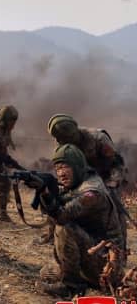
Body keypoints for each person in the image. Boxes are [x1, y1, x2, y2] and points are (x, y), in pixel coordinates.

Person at [38, 144, 125, 299]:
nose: (61, 173)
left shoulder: (92, 192)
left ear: (77, 166)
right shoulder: (78, 180)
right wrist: (46, 194)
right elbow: (52, 210)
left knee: (63, 227)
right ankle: (80, 278)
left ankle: (71, 287)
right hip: (94, 253)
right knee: (46, 272)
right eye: (57, 168)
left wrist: (45, 193)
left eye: (65, 167)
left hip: (108, 266)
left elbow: (61, 217)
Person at [45, 114, 128, 245]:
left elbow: (117, 164)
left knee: (115, 208)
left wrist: (112, 183)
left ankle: (120, 246)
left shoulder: (98, 138)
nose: (68, 141)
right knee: (58, 198)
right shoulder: (62, 143)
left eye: (69, 138)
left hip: (105, 176)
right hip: (80, 177)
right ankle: (52, 235)